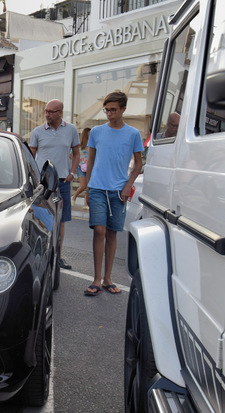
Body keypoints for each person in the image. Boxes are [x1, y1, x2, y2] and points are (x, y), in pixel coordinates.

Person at [84, 91, 143, 296]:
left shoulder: (133, 134)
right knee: (99, 230)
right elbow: (90, 161)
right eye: (106, 110)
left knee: (111, 232)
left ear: (123, 109)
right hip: (98, 187)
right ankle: (96, 279)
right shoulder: (96, 132)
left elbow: (138, 164)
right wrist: (89, 188)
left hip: (119, 191)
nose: (109, 113)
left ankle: (108, 278)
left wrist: (128, 186)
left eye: (113, 110)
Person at [29, 99, 80, 270]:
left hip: (62, 182)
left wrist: (72, 173)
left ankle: (58, 256)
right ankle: (42, 254)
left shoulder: (71, 130)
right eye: (46, 111)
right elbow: (30, 156)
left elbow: (76, 153)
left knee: (60, 221)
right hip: (42, 184)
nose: (47, 114)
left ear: (60, 112)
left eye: (51, 111)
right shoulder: (37, 132)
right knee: (40, 217)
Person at [72, 128, 91, 210]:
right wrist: (76, 164)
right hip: (81, 167)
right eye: (89, 133)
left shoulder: (92, 144)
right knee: (83, 186)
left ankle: (85, 204)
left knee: (88, 186)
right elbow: (72, 154)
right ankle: (74, 197)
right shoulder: (80, 145)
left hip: (90, 167)